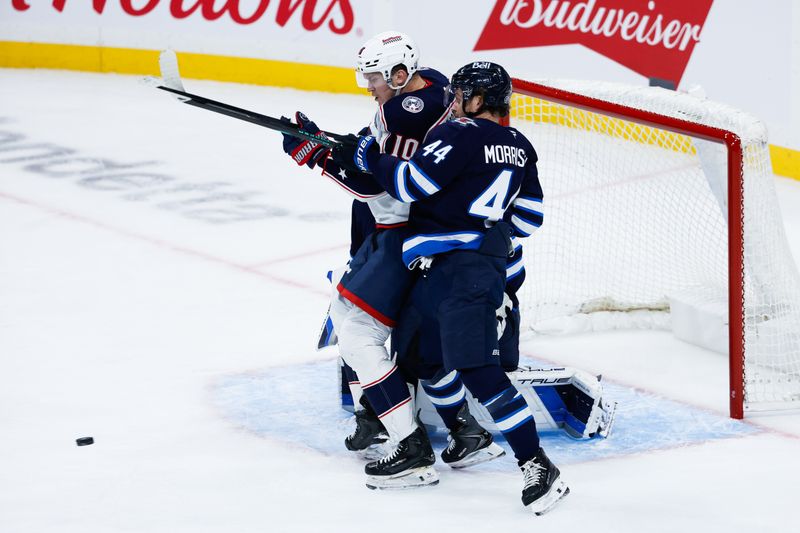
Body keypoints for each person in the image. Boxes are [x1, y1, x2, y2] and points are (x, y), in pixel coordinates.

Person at [332, 61, 569, 514]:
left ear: (478, 100)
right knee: (420, 357)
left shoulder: (458, 134)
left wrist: (368, 156)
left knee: (479, 370)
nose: (454, 103)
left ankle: (537, 464)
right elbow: (529, 219)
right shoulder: (521, 146)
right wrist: (482, 224)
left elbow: (409, 183)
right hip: (444, 269)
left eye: (461, 96)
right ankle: (461, 440)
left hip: (464, 273)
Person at [280, 30, 455, 489]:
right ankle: (381, 418)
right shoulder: (430, 88)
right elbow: (372, 150)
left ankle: (410, 445)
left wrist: (315, 156)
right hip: (406, 232)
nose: (369, 85)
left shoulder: (404, 112)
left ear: (400, 75)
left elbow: (377, 188)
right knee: (350, 321)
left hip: (403, 233)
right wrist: (326, 140)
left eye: (376, 77)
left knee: (356, 331)